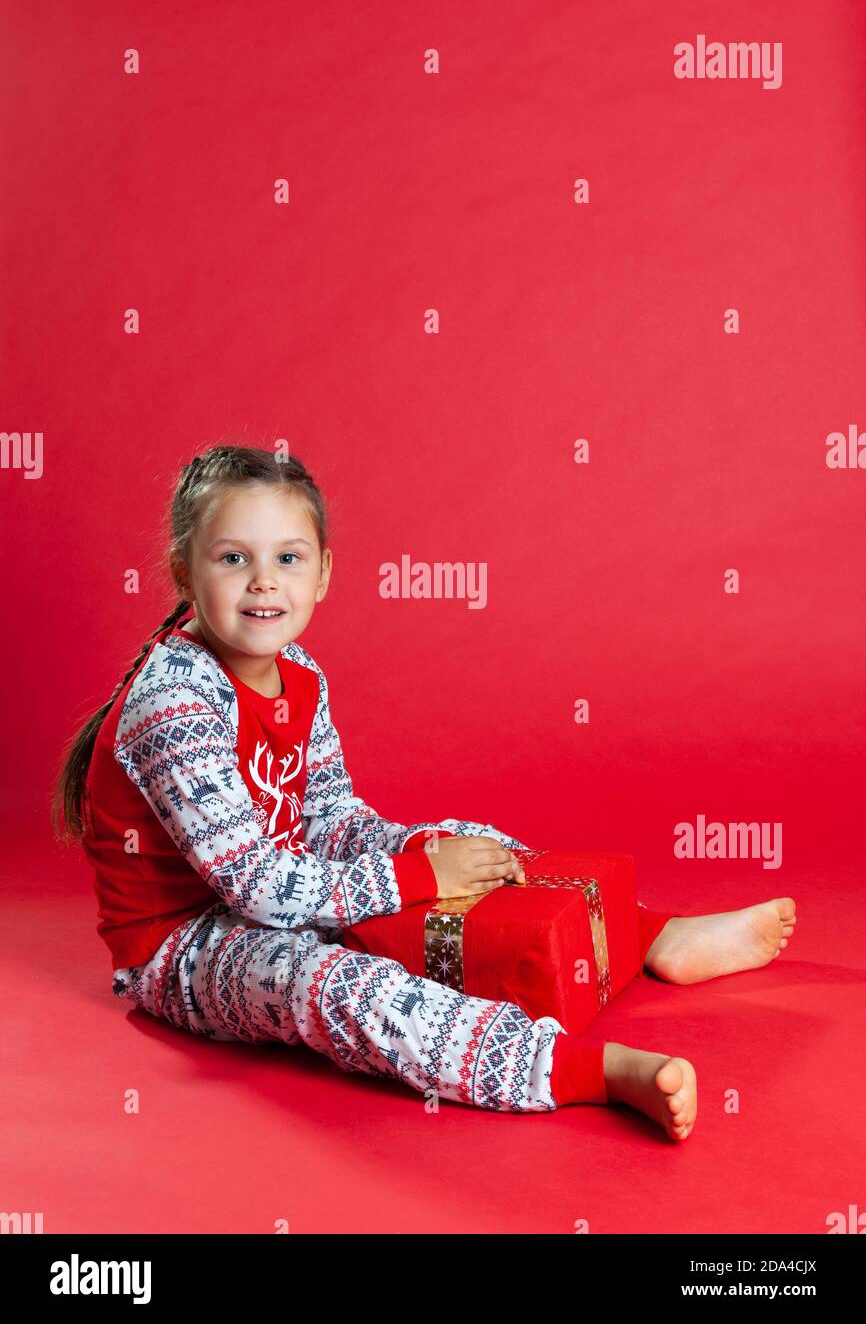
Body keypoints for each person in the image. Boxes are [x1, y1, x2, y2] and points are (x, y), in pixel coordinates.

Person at [51, 445, 797, 1143]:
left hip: (286, 888)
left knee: (466, 840)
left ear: (324, 574)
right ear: (184, 573)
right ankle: (588, 1070)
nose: (264, 581)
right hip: (186, 944)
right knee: (335, 982)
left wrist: (430, 852)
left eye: (288, 558)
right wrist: (415, 878)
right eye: (233, 559)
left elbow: (331, 818)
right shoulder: (174, 701)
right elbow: (254, 886)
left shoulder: (301, 671)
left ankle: (648, 935)